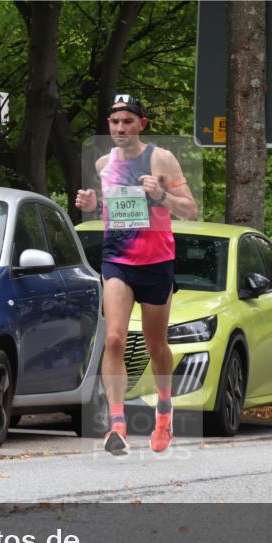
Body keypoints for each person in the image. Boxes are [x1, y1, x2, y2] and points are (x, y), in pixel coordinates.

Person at [75, 94, 197, 455]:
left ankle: (163, 409)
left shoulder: (161, 158)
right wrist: (92, 205)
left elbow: (190, 209)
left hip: (157, 260)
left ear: (142, 123)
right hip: (118, 260)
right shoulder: (102, 164)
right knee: (113, 338)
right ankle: (117, 425)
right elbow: (104, 206)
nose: (120, 128)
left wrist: (161, 196)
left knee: (156, 345)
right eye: (114, 122)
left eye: (128, 121)